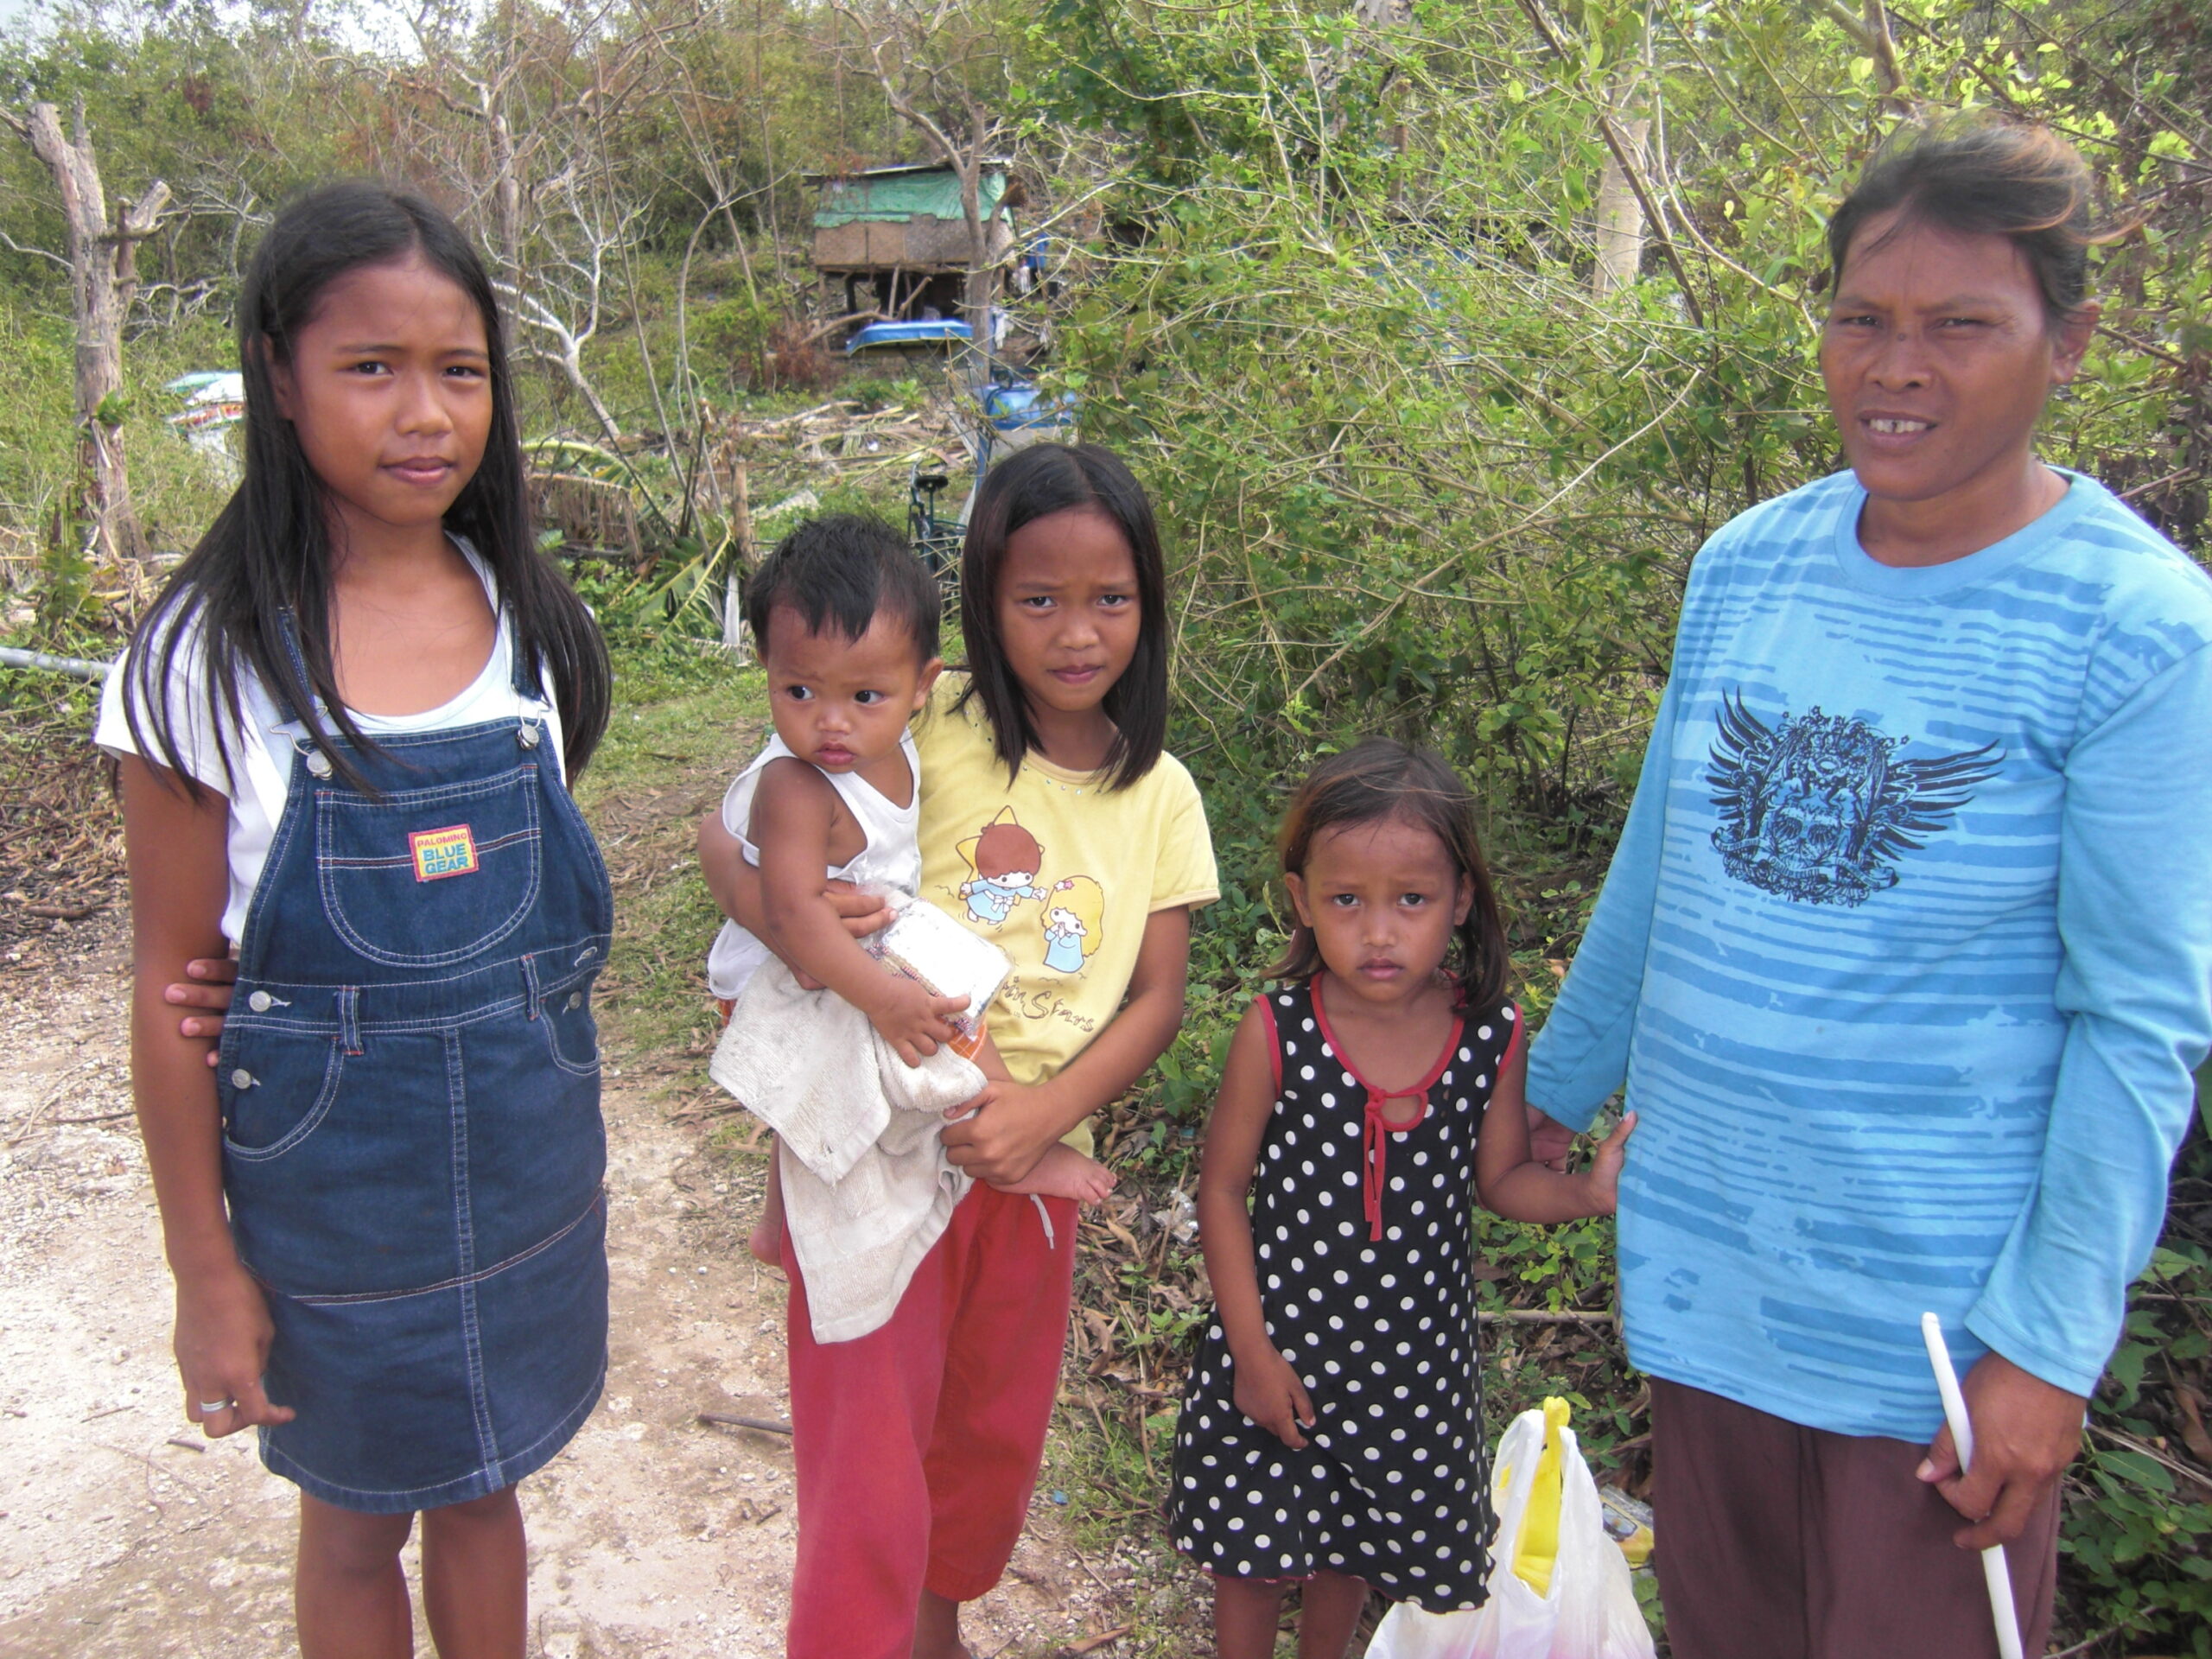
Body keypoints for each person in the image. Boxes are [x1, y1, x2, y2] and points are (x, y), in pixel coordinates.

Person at [1523, 117, 2212, 1659]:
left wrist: (2048, 1348)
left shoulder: (2139, 628)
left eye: (1962, 325)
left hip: (1938, 1345)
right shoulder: (1747, 565)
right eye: (1862, 318)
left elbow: (2140, 1022)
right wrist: (1549, 1094)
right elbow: (1663, 862)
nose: (1897, 367)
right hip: (1707, 1266)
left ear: (2068, 343)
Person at [103, 182, 613, 1659]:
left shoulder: (532, 622)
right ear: (278, 375)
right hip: (332, 1201)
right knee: (351, 1522)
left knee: (487, 1487)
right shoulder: (202, 660)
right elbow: (171, 992)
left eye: (459, 371)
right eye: (370, 367)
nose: (425, 414)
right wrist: (206, 1270)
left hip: (529, 1171)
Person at [701, 442, 1219, 1659]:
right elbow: (738, 838)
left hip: (1027, 1160)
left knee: (982, 1441)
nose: (1076, 632)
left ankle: (932, 1634)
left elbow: (1158, 999)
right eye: (1038, 599)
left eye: (1110, 598)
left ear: (1149, 601)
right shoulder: (920, 720)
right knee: (868, 1459)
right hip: (887, 1155)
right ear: (983, 603)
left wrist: (1042, 1115)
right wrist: (794, 915)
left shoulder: (1162, 794)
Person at [1171, 740, 1635, 1659]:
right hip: (1278, 1346)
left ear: (1459, 899)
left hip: (1410, 1366)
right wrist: (1251, 1355)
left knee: (1350, 1550)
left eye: (1410, 901)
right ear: (1303, 900)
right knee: (1251, 1559)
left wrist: (1586, 1192)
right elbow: (1221, 1191)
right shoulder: (1278, 1031)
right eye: (1347, 901)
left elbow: (1501, 1181)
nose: (1378, 932)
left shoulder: (1490, 1035)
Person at [699, 511, 1113, 1270]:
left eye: (865, 695)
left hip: (836, 949)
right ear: (765, 666)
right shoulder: (797, 784)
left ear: (923, 685)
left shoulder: (891, 748)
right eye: (799, 690)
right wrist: (885, 998)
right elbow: (791, 916)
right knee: (954, 1001)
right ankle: (1019, 1144)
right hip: (787, 971)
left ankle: (777, 1227)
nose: (831, 723)